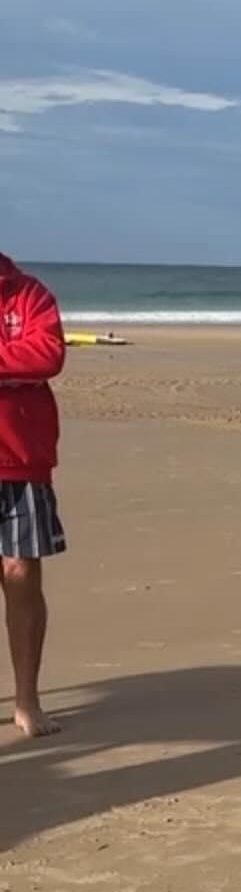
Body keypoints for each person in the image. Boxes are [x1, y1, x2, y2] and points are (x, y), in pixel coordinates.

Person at [0, 253, 67, 737]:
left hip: (23, 458)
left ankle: (27, 701)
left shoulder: (29, 293)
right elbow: (27, 360)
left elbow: (47, 355)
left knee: (22, 576)